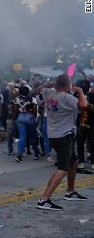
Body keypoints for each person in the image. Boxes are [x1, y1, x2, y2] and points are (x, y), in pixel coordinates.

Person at [37, 74, 88, 211]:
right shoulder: (67, 98)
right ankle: (44, 200)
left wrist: (51, 85)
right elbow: (84, 105)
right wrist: (80, 91)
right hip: (63, 136)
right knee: (63, 168)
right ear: (67, 85)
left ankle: (70, 192)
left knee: (74, 161)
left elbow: (40, 88)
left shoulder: (49, 94)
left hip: (55, 134)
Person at [12, 85, 39, 162]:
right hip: (30, 116)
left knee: (22, 136)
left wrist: (14, 119)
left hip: (20, 117)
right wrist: (34, 118)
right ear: (28, 92)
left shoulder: (17, 99)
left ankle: (19, 155)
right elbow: (35, 110)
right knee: (33, 136)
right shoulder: (32, 99)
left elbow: (15, 110)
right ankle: (36, 153)